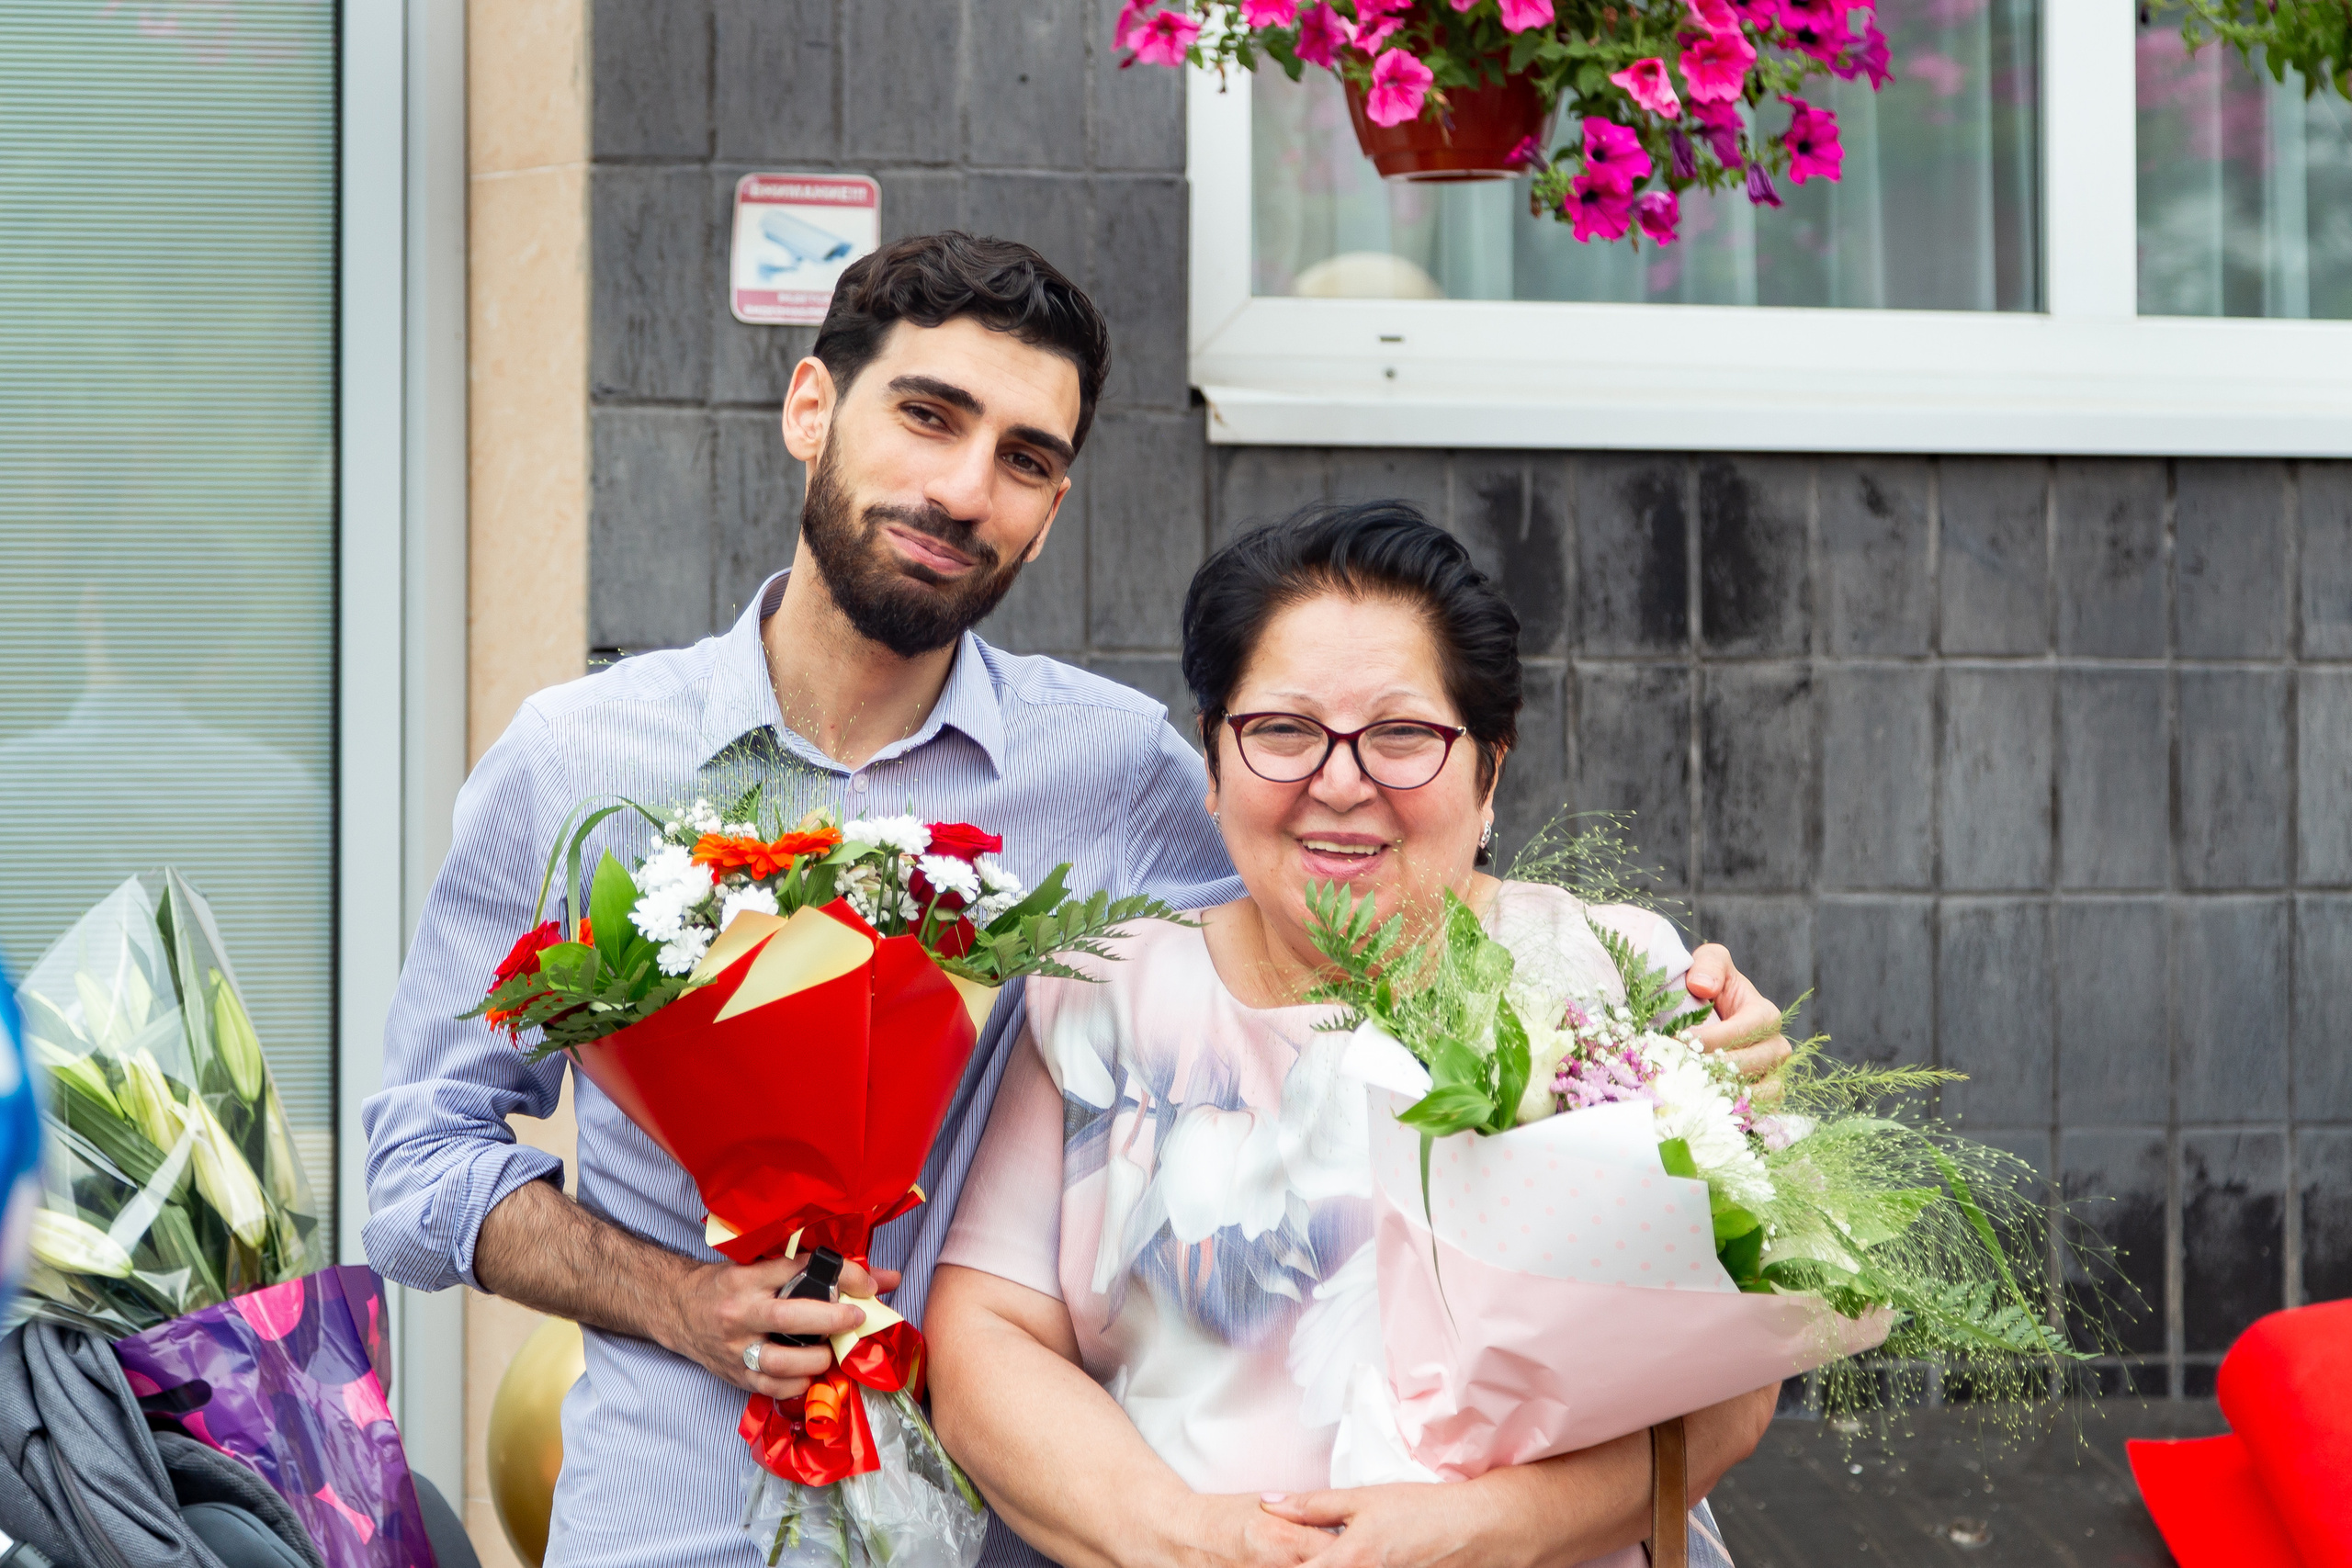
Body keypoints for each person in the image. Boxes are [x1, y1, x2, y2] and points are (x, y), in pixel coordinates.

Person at [363, 234, 1791, 1568]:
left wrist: (1673, 1033)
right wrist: (678, 1299)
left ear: (1049, 514)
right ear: (811, 405)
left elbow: (1340, 938)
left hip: (996, 1516)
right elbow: (418, 1163)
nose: (966, 487)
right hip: (671, 1509)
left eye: (1025, 458)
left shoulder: (1111, 773)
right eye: (929, 415)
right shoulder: (575, 762)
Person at [927, 502, 1781, 1568]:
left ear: (1489, 772)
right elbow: (985, 1338)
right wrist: (1190, 1542)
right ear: (1212, 757)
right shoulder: (1100, 993)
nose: (1339, 782)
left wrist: (1479, 1534)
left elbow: (1731, 1387)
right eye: (1282, 731)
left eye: (1402, 735)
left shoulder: (1605, 980)